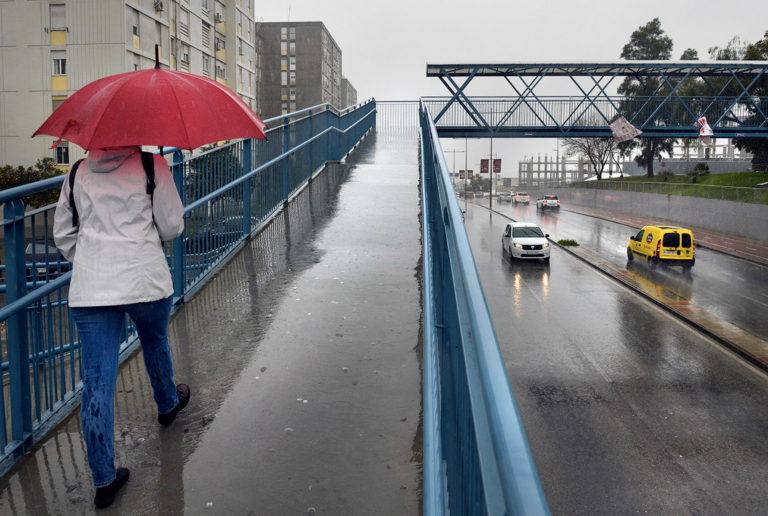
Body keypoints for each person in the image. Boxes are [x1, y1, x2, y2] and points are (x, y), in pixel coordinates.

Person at [54, 145, 190, 509]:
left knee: (97, 379)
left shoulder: (77, 171)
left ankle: (103, 480)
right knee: (155, 340)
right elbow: (173, 226)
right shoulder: (152, 165)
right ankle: (167, 404)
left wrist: (91, 260)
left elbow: (63, 234)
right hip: (143, 280)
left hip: (92, 287)